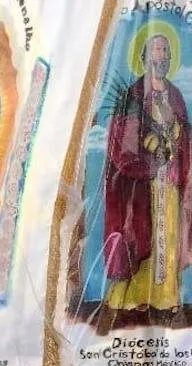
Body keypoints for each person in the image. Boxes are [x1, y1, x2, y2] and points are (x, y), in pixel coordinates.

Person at [99, 32, 192, 333]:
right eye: (156, 50)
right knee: (139, 237)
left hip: (170, 181)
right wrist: (149, 145)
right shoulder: (133, 95)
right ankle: (129, 299)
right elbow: (123, 141)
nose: (161, 56)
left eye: (166, 50)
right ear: (145, 56)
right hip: (142, 186)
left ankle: (166, 301)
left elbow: (184, 134)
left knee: (170, 238)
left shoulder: (176, 96)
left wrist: (177, 136)